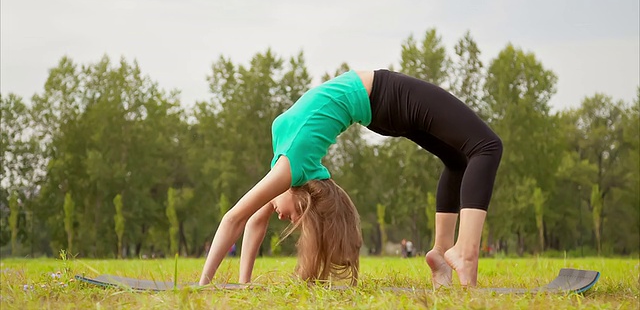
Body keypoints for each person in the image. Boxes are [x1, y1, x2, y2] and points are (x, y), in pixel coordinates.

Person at [199, 69, 502, 288]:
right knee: (486, 147)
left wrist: (234, 284)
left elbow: (244, 219)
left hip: (383, 102)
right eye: (294, 219)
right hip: (384, 98)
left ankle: (440, 252)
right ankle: (465, 252)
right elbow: (242, 219)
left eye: (291, 218)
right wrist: (218, 285)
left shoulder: (289, 167)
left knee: (457, 158)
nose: (284, 218)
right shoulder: (293, 169)